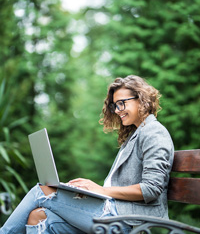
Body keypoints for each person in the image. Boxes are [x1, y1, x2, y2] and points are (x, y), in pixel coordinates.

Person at [0, 75, 174, 234]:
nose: (118, 110)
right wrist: (92, 193)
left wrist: (101, 190)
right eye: (115, 105)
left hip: (127, 220)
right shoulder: (135, 134)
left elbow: (151, 189)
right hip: (113, 211)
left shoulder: (153, 132)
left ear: (141, 99)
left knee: (42, 191)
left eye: (122, 103)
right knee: (38, 218)